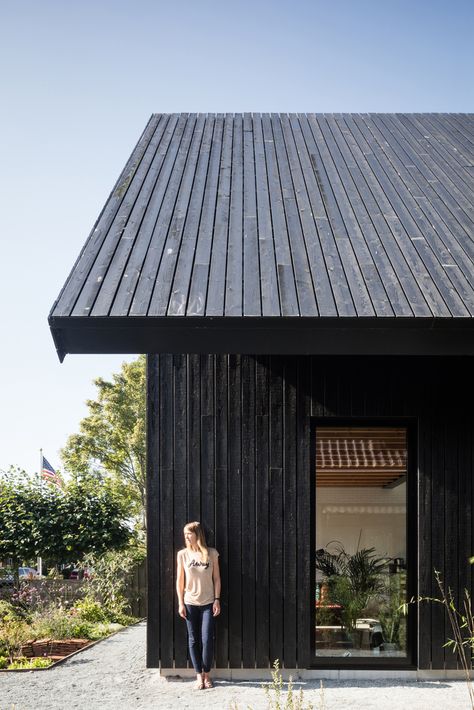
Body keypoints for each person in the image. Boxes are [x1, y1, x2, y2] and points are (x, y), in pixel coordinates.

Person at [176, 521, 221, 690]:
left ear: (197, 534)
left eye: (189, 533)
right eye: (185, 533)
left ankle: (207, 674)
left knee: (207, 639)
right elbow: (180, 581)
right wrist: (180, 603)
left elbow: (217, 579)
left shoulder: (211, 553)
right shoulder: (182, 555)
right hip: (189, 603)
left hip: (208, 603)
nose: (186, 536)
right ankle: (198, 677)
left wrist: (217, 599)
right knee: (193, 640)